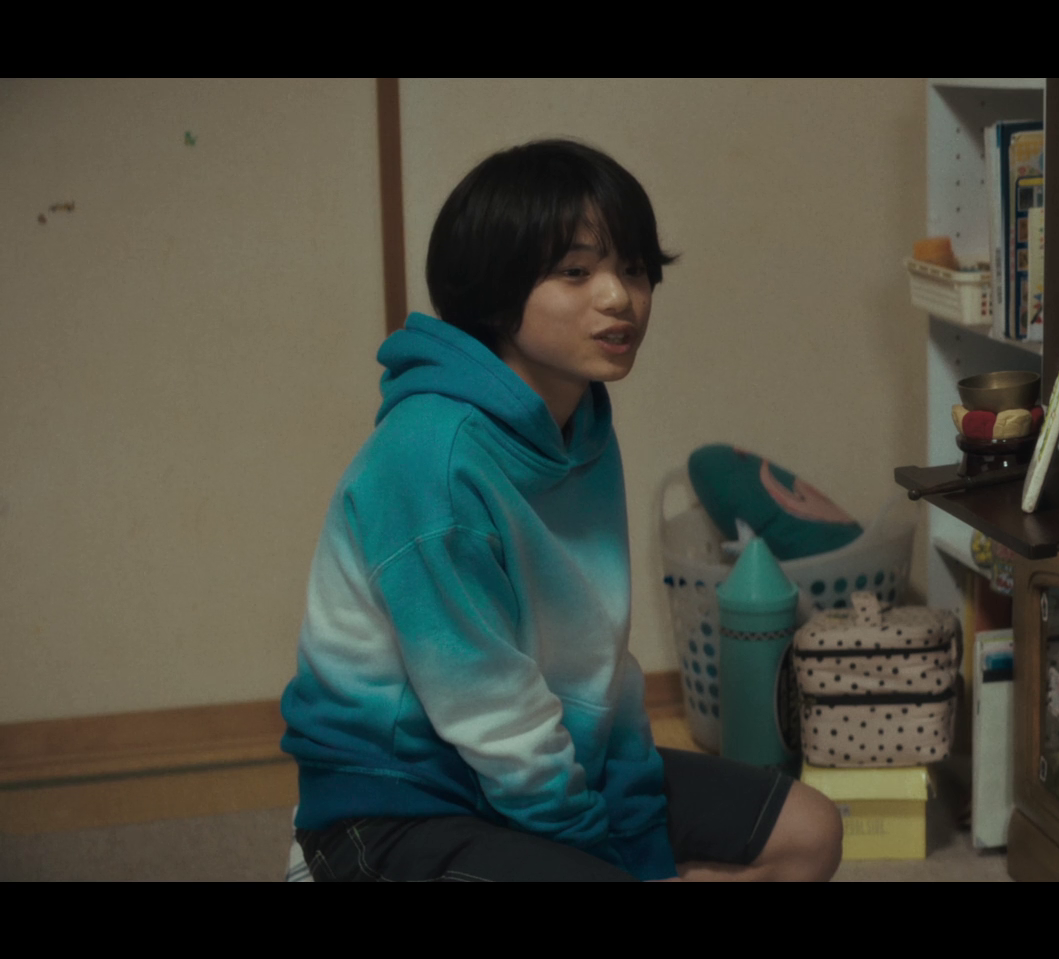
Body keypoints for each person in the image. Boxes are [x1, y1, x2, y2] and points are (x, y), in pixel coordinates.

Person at [279, 139, 842, 882]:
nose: (619, 298)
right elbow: (491, 714)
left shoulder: (581, 427)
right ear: (493, 290)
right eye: (575, 272)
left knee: (810, 832)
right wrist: (615, 857)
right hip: (394, 804)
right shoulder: (429, 460)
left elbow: (600, 663)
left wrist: (637, 825)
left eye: (633, 269)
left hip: (554, 760)